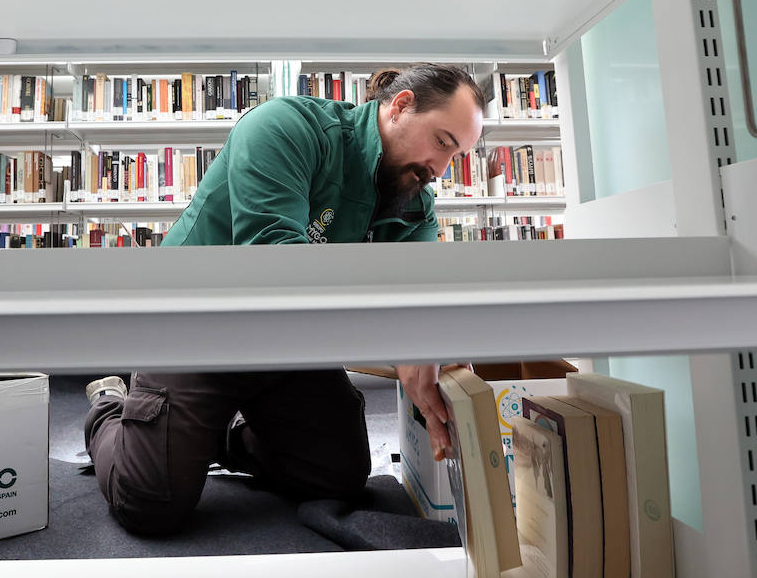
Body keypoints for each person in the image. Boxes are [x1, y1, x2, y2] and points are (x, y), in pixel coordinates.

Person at [83, 63, 487, 534]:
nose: (440, 169)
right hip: (196, 328)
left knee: (337, 477)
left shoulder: (413, 200)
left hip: (289, 343)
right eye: (441, 142)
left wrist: (428, 346)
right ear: (400, 107)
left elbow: (424, 293)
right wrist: (399, 342)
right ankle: (109, 406)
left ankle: (211, 437)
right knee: (151, 503)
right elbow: (275, 268)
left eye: (456, 155)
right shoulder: (284, 127)